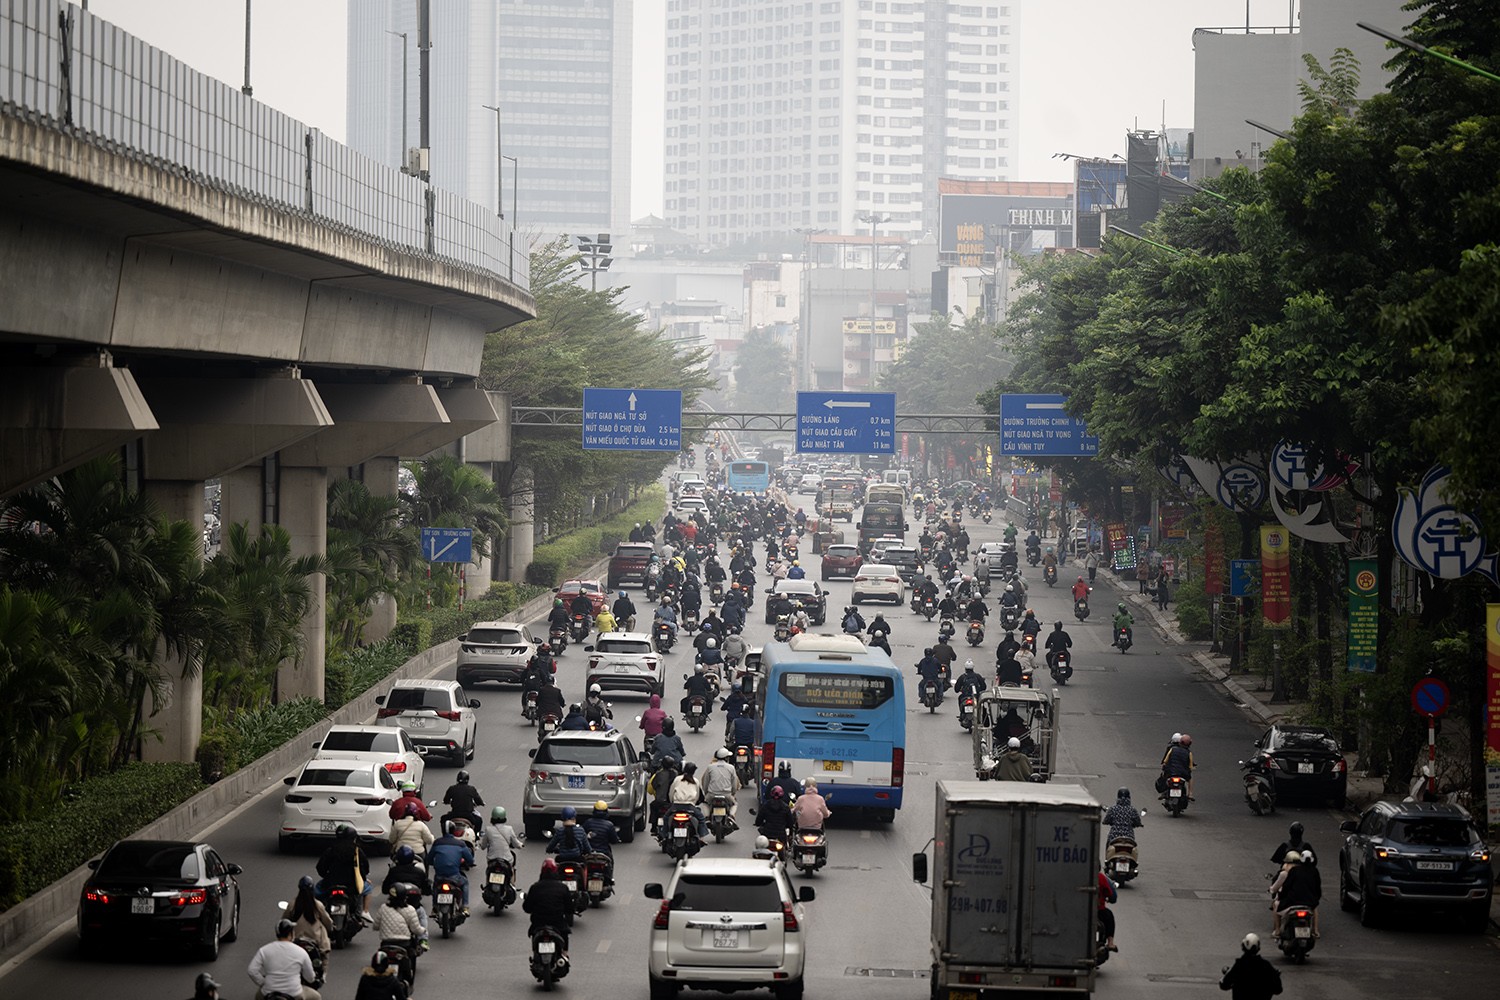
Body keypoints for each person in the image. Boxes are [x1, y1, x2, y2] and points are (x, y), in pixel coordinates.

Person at [248, 919, 322, 1000]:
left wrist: (263, 982)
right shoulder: (301, 952)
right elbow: (310, 977)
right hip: (294, 993)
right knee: (317, 997)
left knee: (257, 997)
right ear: (290, 934)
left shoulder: (264, 950)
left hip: (269, 992)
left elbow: (252, 970)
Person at [316, 825, 373, 922]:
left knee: (316, 890)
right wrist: (362, 878)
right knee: (367, 889)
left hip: (331, 884)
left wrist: (327, 876)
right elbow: (364, 868)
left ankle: (316, 913)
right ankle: (363, 912)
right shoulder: (357, 851)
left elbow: (320, 867)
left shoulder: (331, 850)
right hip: (352, 885)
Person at [522, 860, 573, 956]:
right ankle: (564, 954)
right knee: (565, 933)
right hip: (557, 922)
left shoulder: (535, 887)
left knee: (534, 933)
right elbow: (570, 909)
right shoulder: (563, 888)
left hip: (539, 923)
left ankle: (535, 954)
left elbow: (527, 908)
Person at [282, 875, 334, 967]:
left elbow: (284, 920)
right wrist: (330, 929)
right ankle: (323, 974)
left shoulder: (292, 904)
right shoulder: (317, 905)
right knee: (324, 958)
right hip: (315, 941)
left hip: (296, 939)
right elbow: (327, 921)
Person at [1269, 850, 1321, 938]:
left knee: (1276, 905)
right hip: (1309, 903)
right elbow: (1318, 889)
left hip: (1292, 902)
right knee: (1315, 908)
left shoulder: (1294, 871)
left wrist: (1281, 897)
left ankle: (1277, 931)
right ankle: (1315, 931)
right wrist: (1315, 899)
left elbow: (1286, 887)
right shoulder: (1314, 871)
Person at [428, 821, 475, 916]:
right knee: (465, 883)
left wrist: (435, 864)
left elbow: (429, 859)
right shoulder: (460, 844)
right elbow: (470, 860)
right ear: (454, 831)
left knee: (435, 887)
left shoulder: (437, 843)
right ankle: (465, 907)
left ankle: (435, 908)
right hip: (454, 876)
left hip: (440, 876)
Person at [1218, 933, 1284, 1000]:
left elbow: (1223, 984)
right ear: (1258, 948)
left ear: (1243, 947)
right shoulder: (1266, 966)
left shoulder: (1239, 965)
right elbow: (1278, 989)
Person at [702, 747, 742, 827]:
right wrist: (733, 793)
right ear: (726, 758)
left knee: (705, 803)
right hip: (726, 794)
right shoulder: (731, 767)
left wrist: (706, 792)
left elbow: (705, 782)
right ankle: (731, 816)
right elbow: (734, 783)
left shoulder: (710, 767)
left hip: (712, 794)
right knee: (734, 804)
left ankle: (706, 818)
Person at [581, 801, 622, 876]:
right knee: (610, 863)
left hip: (589, 853)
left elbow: (581, 835)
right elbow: (614, 840)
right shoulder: (609, 825)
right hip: (604, 853)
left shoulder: (588, 822)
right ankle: (610, 877)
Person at [669, 762, 709, 837]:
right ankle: (701, 836)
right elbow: (697, 795)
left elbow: (671, 792)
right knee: (701, 819)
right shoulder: (695, 781)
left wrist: (672, 802)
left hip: (676, 805)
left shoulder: (677, 779)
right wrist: (694, 803)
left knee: (666, 817)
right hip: (690, 806)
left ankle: (665, 834)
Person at [1160, 733, 1195, 800]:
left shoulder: (1172, 749)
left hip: (1171, 772)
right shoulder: (1189, 753)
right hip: (1183, 774)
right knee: (1190, 778)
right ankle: (1190, 794)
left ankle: (1164, 792)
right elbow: (1190, 767)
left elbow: (1165, 761)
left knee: (1164, 776)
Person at [1097, 867, 1118, 953]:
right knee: (1109, 916)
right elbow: (1109, 893)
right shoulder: (1101, 877)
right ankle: (1110, 943)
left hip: (1080, 911)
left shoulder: (1078, 875)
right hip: (1099, 911)